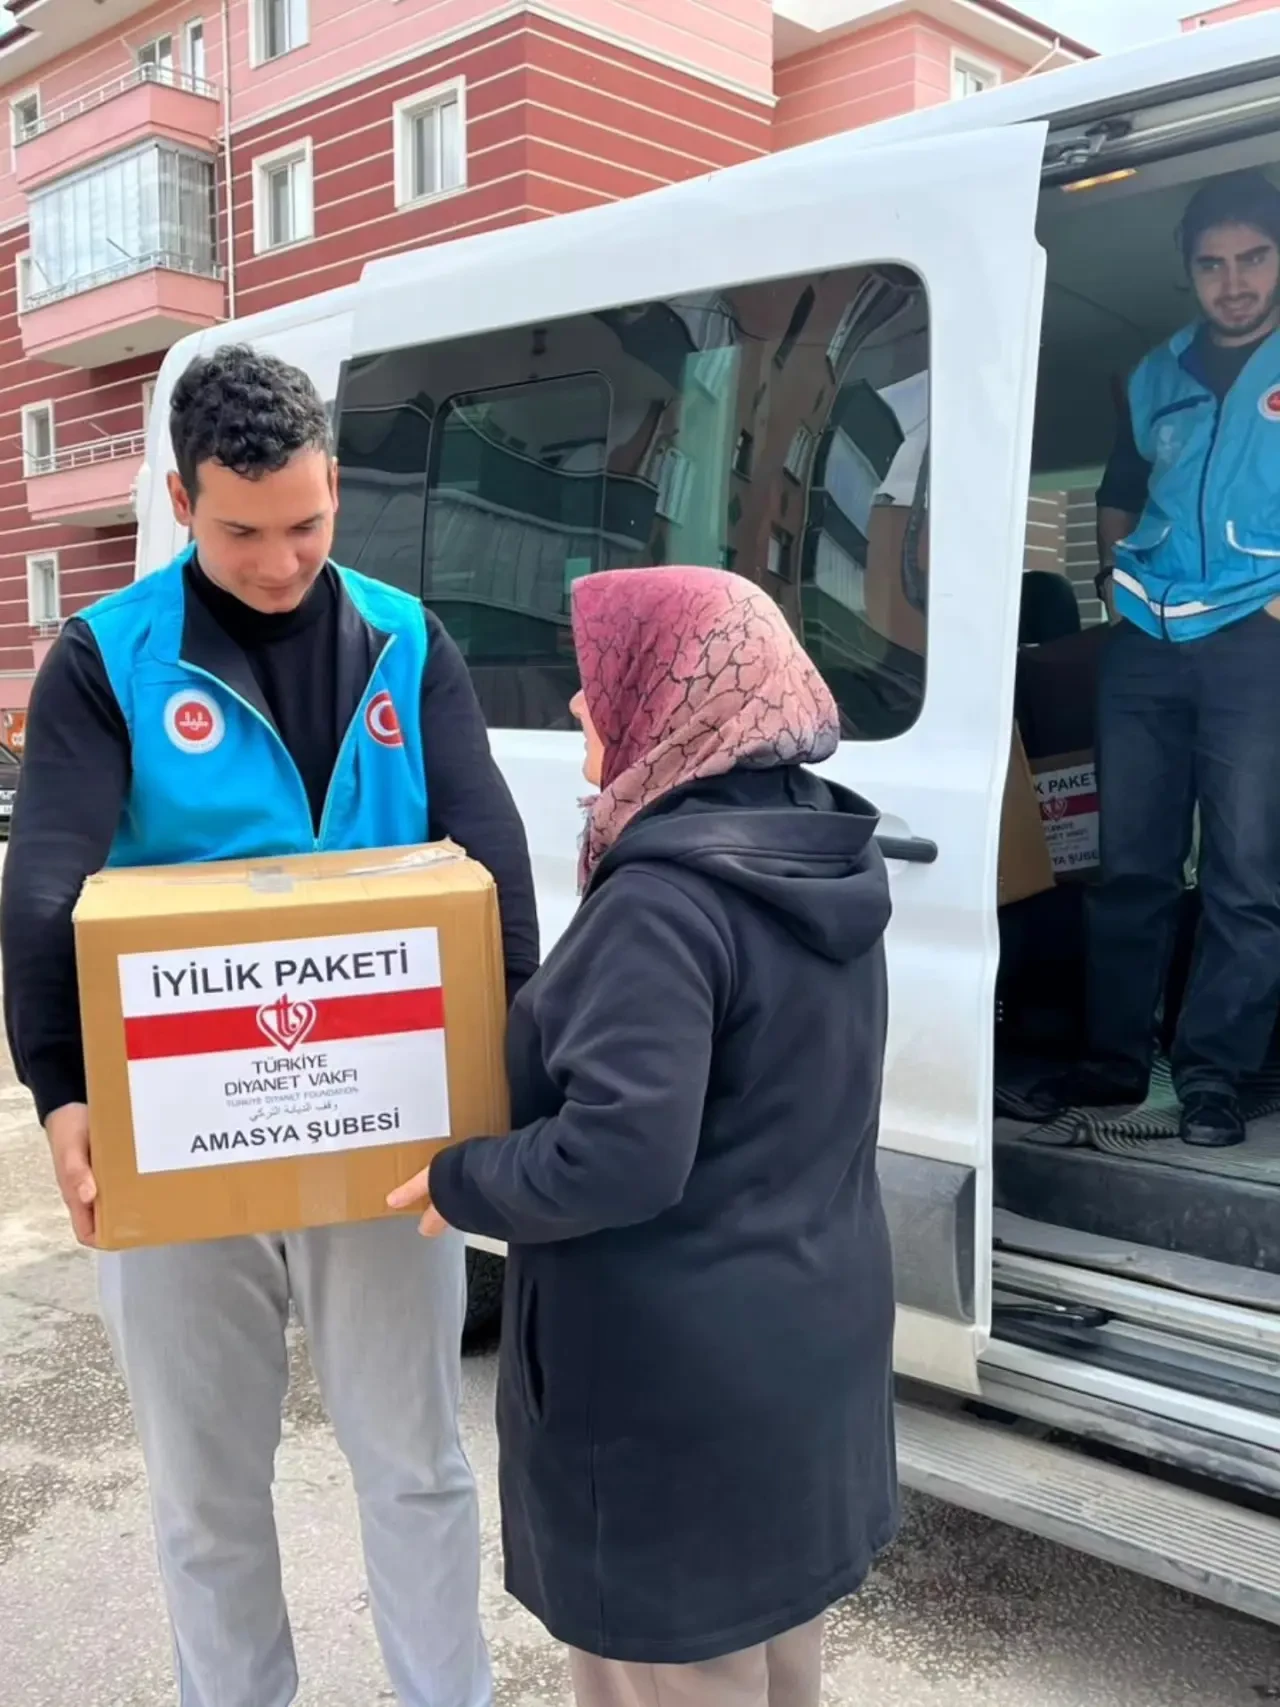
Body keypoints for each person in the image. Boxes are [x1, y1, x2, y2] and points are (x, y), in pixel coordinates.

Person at [0, 344, 539, 1707]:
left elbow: (492, 869)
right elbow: (46, 891)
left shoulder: (407, 643)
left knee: (417, 1463)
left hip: (385, 1134)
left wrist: (505, 1080)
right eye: (242, 531)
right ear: (182, 501)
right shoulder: (106, 661)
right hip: (176, 1136)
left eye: (306, 522)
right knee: (205, 1491)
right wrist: (63, 1095)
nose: (283, 560)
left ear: (335, 485)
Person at [389, 565, 899, 1707]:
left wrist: (462, 1178)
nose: (580, 702)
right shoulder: (817, 852)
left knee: (671, 1675)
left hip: (674, 1395)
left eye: (603, 675)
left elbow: (616, 1153)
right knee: (776, 1666)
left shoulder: (664, 902)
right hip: (803, 1350)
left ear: (671, 695)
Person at [1061, 169, 1280, 1147]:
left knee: (1245, 871)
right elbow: (1119, 487)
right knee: (1130, 865)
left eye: (1253, 259)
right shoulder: (1157, 372)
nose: (1233, 282)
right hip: (1146, 639)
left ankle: (1213, 1078)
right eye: (1211, 264)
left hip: (1254, 639)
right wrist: (1114, 585)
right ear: (1187, 271)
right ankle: (1114, 1064)